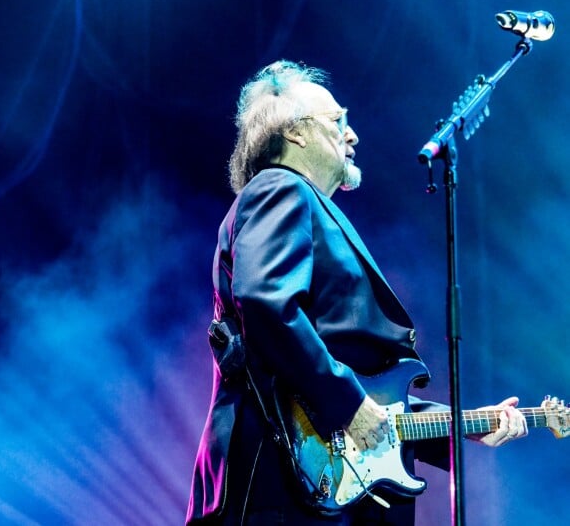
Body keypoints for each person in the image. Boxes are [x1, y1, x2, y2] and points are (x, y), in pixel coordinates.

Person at [186, 60, 528, 525]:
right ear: (296, 134)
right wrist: (349, 404)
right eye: (338, 122)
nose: (352, 136)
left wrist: (463, 426)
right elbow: (266, 304)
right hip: (283, 479)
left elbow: (370, 391)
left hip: (327, 488)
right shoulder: (280, 188)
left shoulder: (304, 206)